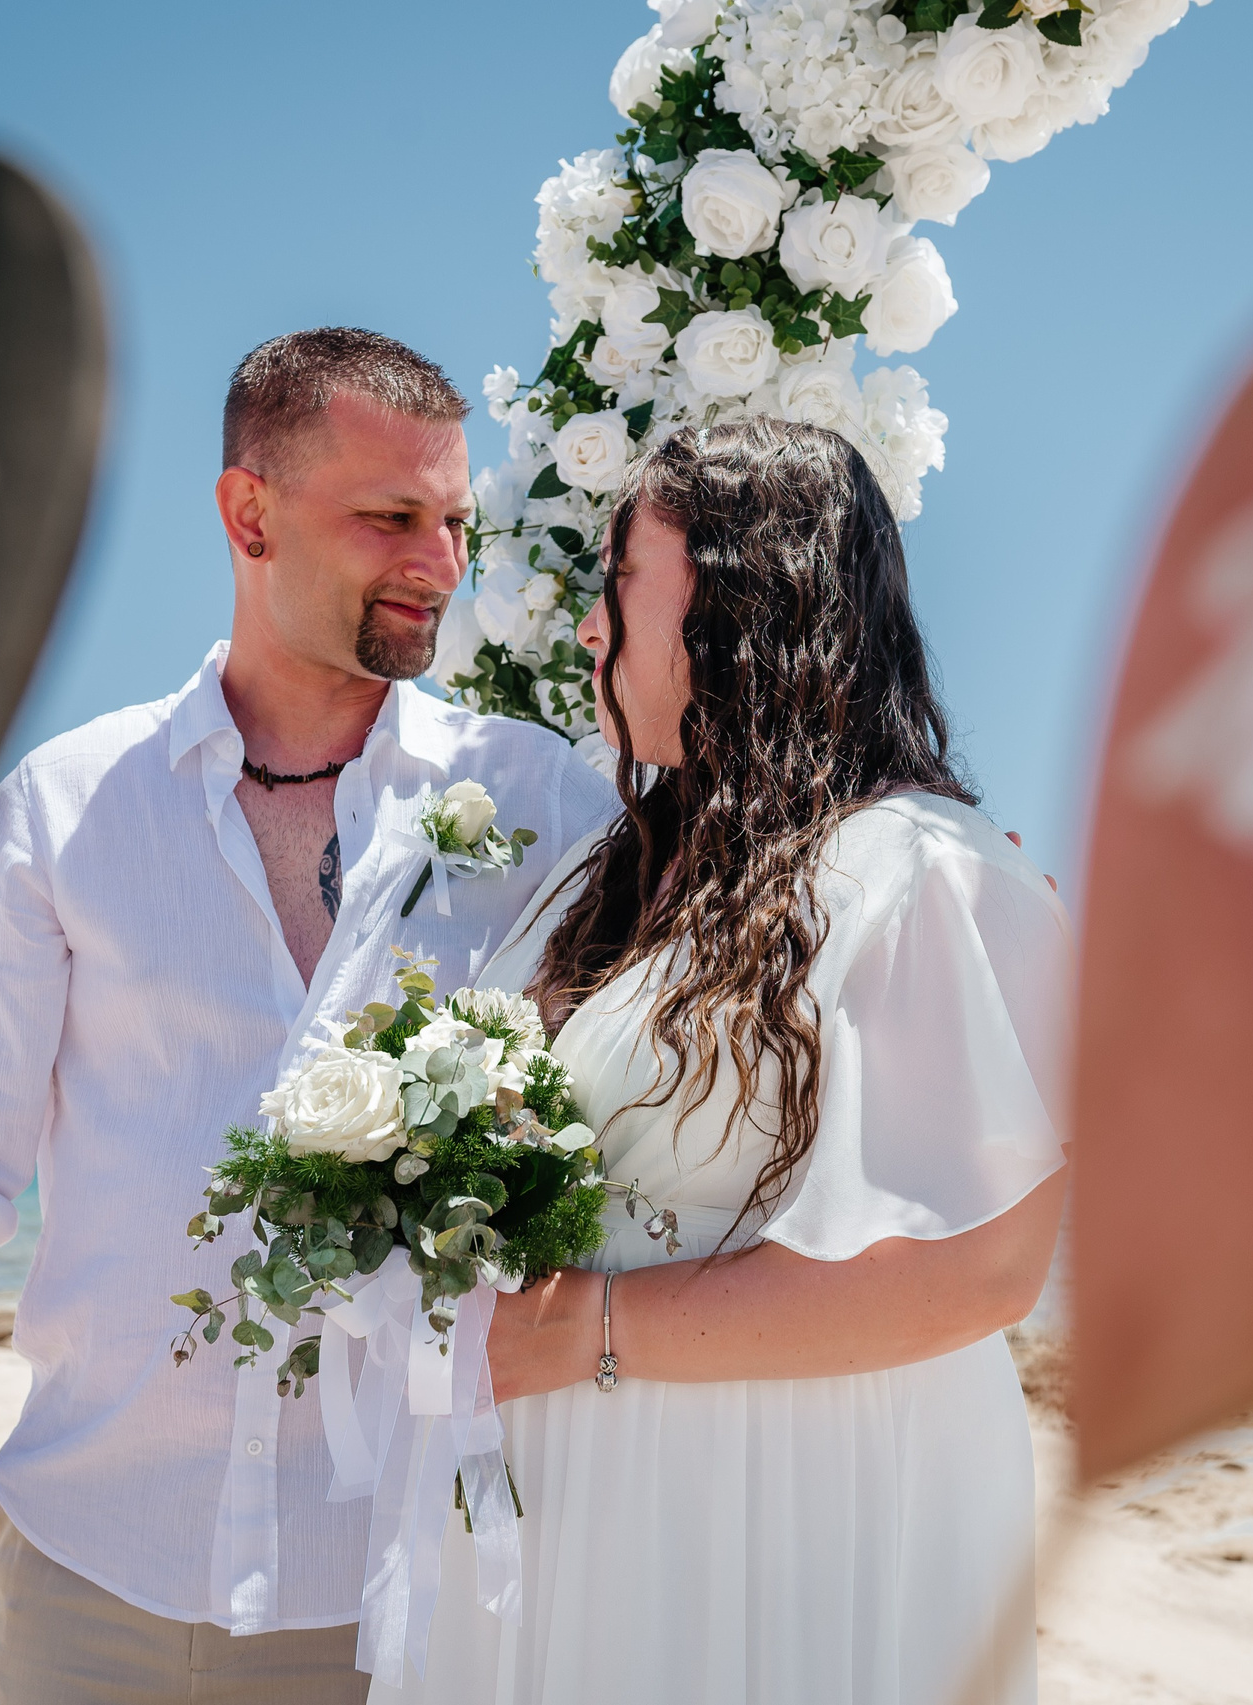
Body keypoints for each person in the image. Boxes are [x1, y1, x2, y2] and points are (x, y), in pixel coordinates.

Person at [0, 327, 616, 1702]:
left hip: (410, 1594)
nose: (441, 562)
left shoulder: (546, 810)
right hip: (94, 1571)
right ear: (250, 513)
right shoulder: (61, 812)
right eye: (392, 517)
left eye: (458, 521)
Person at [377, 418, 1074, 1705]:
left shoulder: (913, 870)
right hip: (581, 1517)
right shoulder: (620, 875)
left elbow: (982, 1267)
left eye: (614, 584)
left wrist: (585, 1331)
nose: (589, 631)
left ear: (728, 607)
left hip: (785, 1513)